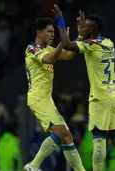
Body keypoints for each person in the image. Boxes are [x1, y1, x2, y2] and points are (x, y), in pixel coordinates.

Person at [52, 5, 115, 171]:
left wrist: (60, 20)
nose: (83, 26)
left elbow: (67, 45)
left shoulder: (91, 45)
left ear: (93, 28)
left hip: (100, 97)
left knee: (99, 138)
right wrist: (83, 33)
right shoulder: (109, 43)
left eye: (87, 25)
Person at [23, 17, 85, 171]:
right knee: (59, 130)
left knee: (66, 136)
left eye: (54, 32)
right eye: (49, 31)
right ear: (39, 32)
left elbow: (69, 55)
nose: (52, 34)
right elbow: (49, 60)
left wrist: (80, 36)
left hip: (46, 99)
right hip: (37, 98)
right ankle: (33, 166)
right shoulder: (32, 49)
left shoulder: (49, 48)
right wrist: (62, 43)